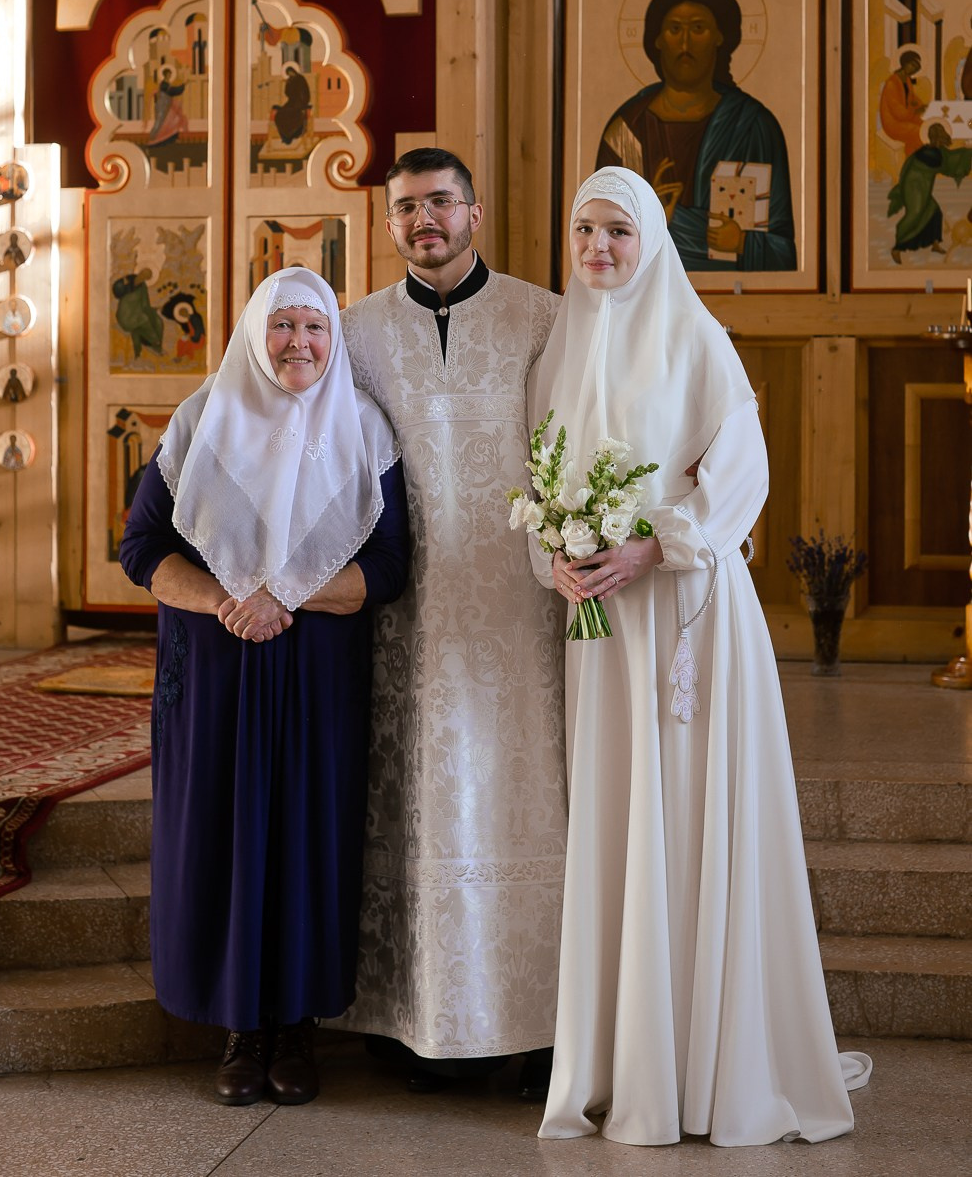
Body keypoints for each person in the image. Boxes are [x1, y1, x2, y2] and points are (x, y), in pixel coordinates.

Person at [529, 166, 872, 1147]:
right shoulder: (559, 349)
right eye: (584, 230)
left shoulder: (695, 339)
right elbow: (537, 478)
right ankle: (626, 1063)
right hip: (600, 628)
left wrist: (652, 544)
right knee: (619, 823)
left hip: (681, 617)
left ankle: (711, 1067)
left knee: (685, 817)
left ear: (650, 241)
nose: (597, 248)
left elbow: (739, 480)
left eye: (617, 232)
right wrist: (553, 558)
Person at [119, 267, 408, 1107]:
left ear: (335, 338)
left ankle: (295, 1031)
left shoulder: (362, 427)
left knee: (307, 840)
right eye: (282, 326)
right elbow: (141, 547)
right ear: (253, 332)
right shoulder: (201, 417)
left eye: (315, 328)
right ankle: (239, 1032)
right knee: (222, 835)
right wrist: (223, 601)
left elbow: (390, 565)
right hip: (214, 672)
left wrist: (285, 594)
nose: (298, 344)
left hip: (316, 678)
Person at [339, 147, 566, 1100]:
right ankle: (410, 1016)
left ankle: (541, 1023)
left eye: (440, 203)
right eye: (404, 210)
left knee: (526, 799)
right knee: (411, 803)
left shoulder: (542, 316)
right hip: (403, 608)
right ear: (388, 226)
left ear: (475, 211)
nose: (423, 221)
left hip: (518, 610)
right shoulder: (352, 332)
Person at [596, 0, 797, 272]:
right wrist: (659, 221)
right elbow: (599, 242)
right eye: (675, 29)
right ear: (658, 39)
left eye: (698, 28)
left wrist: (742, 243)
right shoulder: (626, 132)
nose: (686, 42)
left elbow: (786, 253)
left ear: (720, 37)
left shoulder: (754, 126)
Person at [888, 122, 972, 262]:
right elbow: (948, 162)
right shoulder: (929, 154)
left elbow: (949, 158)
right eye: (939, 137)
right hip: (914, 189)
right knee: (914, 215)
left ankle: (935, 244)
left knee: (934, 212)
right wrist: (968, 153)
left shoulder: (935, 152)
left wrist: (968, 152)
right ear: (936, 138)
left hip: (923, 188)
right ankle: (897, 248)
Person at [878, 50, 926, 159]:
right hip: (893, 123)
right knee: (918, 132)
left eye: (916, 67)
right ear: (904, 63)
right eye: (913, 65)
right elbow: (898, 112)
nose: (914, 69)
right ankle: (914, 160)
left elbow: (912, 98)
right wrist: (916, 111)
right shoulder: (892, 83)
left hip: (906, 117)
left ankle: (915, 158)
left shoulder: (906, 79)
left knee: (926, 126)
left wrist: (921, 105)